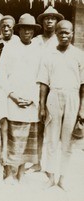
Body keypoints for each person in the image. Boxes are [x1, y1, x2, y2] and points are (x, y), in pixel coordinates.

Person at [37, 20, 84, 191]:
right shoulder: (49, 55)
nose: (64, 36)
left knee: (67, 142)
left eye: (68, 32)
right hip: (54, 96)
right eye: (61, 33)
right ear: (56, 34)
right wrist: (42, 106)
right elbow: (43, 83)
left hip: (72, 96)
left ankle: (63, 177)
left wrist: (82, 109)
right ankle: (50, 177)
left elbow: (83, 85)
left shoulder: (79, 55)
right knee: (51, 139)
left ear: (72, 33)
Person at [0, 14, 41, 184]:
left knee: (27, 139)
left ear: (34, 31)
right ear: (19, 30)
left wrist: (32, 98)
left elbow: (41, 77)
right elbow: (1, 75)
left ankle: (21, 171)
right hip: (12, 100)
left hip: (30, 102)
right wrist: (13, 96)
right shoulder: (9, 48)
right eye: (23, 28)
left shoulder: (38, 50)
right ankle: (8, 172)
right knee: (12, 137)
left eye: (30, 29)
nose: (27, 32)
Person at [28, 6, 64, 173]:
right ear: (41, 21)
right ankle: (37, 161)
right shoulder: (35, 41)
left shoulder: (60, 42)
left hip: (53, 88)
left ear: (57, 21)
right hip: (35, 86)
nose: (49, 20)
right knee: (37, 126)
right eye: (46, 18)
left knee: (53, 127)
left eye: (53, 18)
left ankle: (51, 165)